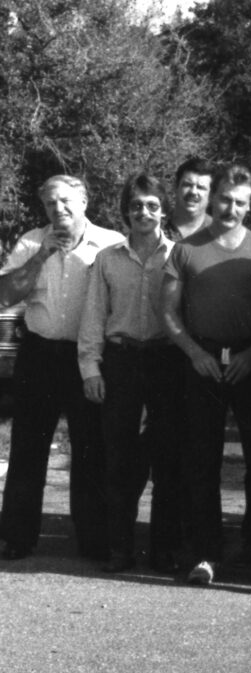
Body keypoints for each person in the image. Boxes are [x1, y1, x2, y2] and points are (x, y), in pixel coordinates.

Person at [160, 163, 251, 585]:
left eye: (241, 202)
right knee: (202, 460)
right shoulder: (186, 249)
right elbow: (168, 313)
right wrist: (195, 353)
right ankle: (205, 551)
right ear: (214, 199)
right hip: (203, 361)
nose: (232, 208)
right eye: (226, 200)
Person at [0, 175, 124, 561]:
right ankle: (17, 537)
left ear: (84, 201)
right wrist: (41, 257)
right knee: (28, 448)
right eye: (51, 203)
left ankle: (92, 539)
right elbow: (5, 294)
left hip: (87, 356)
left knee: (90, 449)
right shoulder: (31, 242)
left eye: (67, 201)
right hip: (39, 354)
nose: (59, 209)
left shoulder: (109, 243)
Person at [77, 173, 184, 575]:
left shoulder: (179, 256)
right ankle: (120, 548)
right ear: (126, 210)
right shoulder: (107, 258)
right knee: (120, 460)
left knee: (167, 459)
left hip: (165, 361)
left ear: (163, 210)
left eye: (152, 205)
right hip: (120, 362)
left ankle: (163, 551)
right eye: (137, 205)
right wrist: (91, 369)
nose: (144, 212)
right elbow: (92, 318)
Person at [167, 157, 214, 241]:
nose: (193, 192)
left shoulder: (220, 234)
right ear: (175, 187)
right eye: (187, 185)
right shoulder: (155, 228)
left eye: (201, 187)